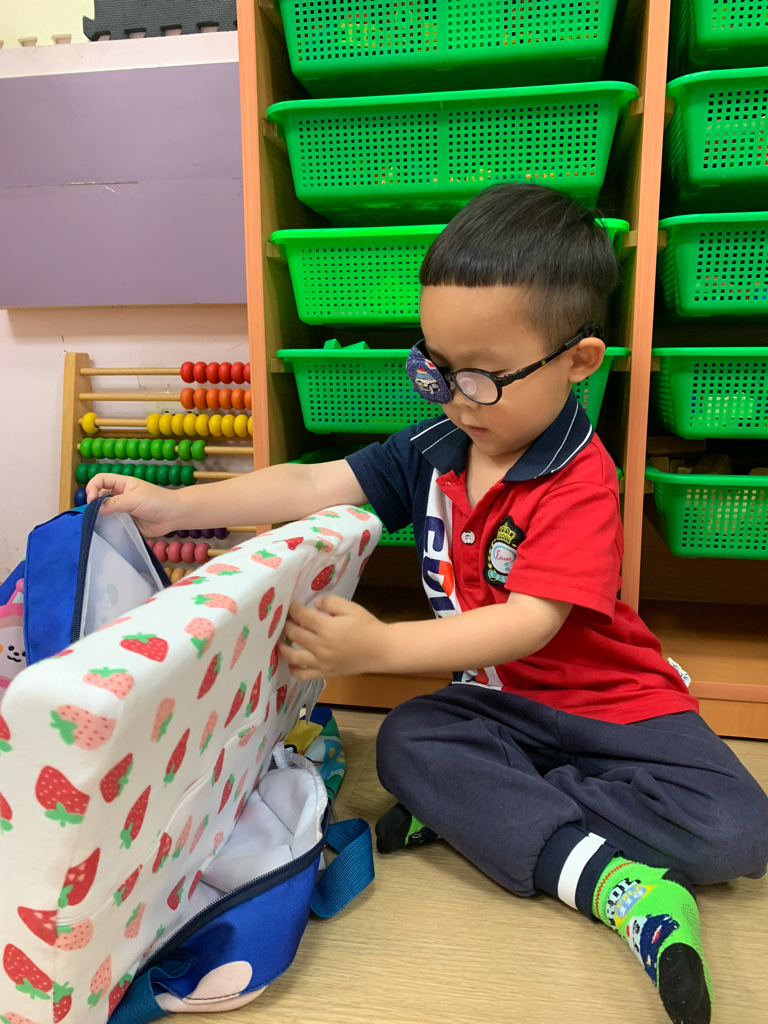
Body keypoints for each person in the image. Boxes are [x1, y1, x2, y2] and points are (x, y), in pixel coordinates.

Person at [86, 183, 768, 1024]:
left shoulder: (580, 478)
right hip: (499, 706)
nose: (452, 397)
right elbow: (312, 482)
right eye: (435, 368)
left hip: (614, 705)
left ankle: (507, 818)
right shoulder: (436, 444)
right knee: (407, 741)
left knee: (739, 831)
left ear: (578, 361)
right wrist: (174, 505)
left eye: (481, 377)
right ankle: (595, 870)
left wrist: (378, 648)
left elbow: (530, 622)